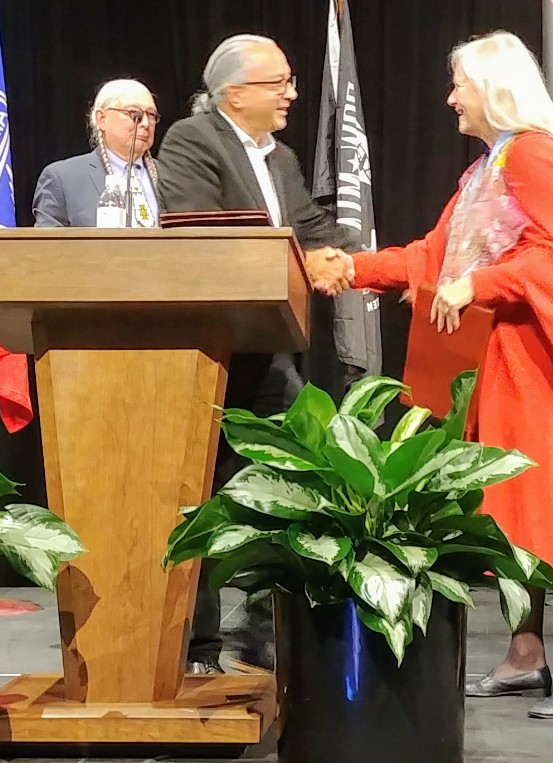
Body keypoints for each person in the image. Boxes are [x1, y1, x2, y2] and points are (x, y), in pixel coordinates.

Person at [310, 31, 553, 719]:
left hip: (542, 362)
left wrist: (477, 281)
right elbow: (431, 255)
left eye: (460, 85)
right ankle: (526, 652)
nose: (450, 98)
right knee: (511, 507)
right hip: (504, 360)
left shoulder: (532, 155)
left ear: (493, 88)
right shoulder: (488, 168)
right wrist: (352, 268)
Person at [157, 34, 358, 675]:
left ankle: (265, 627)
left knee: (314, 473)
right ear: (234, 93)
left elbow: (312, 229)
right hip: (210, 355)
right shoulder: (193, 140)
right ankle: (199, 646)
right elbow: (201, 232)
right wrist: (303, 257)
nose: (293, 94)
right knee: (204, 499)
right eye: (281, 84)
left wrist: (346, 261)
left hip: (268, 354)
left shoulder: (283, 159)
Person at [33, 78, 163, 227]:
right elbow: (48, 246)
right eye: (135, 114)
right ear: (102, 119)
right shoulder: (63, 178)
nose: (146, 124)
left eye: (151, 115)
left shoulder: (171, 175)